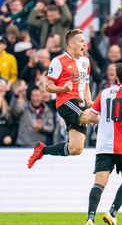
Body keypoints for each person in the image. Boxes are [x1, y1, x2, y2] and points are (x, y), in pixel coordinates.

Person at [80, 63, 122, 225]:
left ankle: (90, 218)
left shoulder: (105, 92)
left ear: (116, 76)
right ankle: (112, 212)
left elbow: (91, 116)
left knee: (99, 183)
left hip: (104, 146)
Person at [27, 29, 91, 168]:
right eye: (82, 41)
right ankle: (119, 123)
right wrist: (63, 89)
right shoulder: (58, 61)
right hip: (67, 102)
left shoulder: (85, 62)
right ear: (71, 43)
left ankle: (42, 150)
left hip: (81, 104)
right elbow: (48, 86)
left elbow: (86, 86)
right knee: (97, 117)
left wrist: (89, 101)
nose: (85, 44)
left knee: (76, 149)